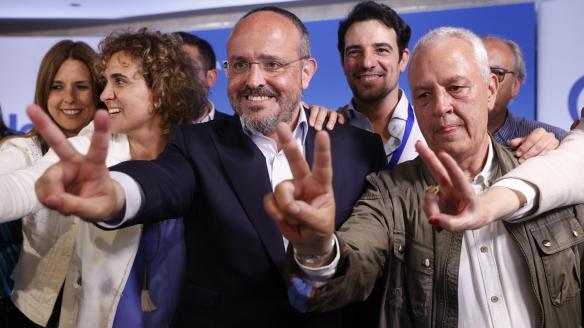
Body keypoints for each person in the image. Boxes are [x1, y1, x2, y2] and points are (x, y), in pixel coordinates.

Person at [29, 7, 385, 327]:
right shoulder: (196, 143)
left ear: (306, 72)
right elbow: (161, 182)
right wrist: (115, 193)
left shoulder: (360, 148)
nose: (254, 80)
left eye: (272, 64)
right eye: (240, 64)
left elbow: (373, 260)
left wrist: (321, 253)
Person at [264, 27, 584, 327]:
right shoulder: (391, 194)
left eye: (456, 87)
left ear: (489, 90)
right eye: (424, 95)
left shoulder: (545, 175)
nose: (441, 106)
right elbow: (339, 280)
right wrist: (318, 253)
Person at [0, 29, 205, 327]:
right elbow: (26, 185)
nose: (104, 94)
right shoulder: (94, 143)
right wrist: (48, 187)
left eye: (119, 81)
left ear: (161, 90)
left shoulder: (198, 149)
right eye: (105, 82)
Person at [0, 39, 100, 327]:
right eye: (57, 86)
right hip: (31, 309)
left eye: (81, 86)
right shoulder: (22, 149)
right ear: (43, 94)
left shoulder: (117, 151)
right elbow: (12, 186)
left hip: (94, 314)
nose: (69, 97)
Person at [483, 35, 566, 161]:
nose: (485, 82)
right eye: (476, 71)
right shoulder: (443, 135)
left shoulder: (556, 142)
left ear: (515, 85)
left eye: (497, 73)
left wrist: (558, 157)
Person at [175, 31, 230, 122]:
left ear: (211, 78)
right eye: (167, 70)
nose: (177, 77)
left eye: (187, 68)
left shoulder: (236, 131)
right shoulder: (149, 132)